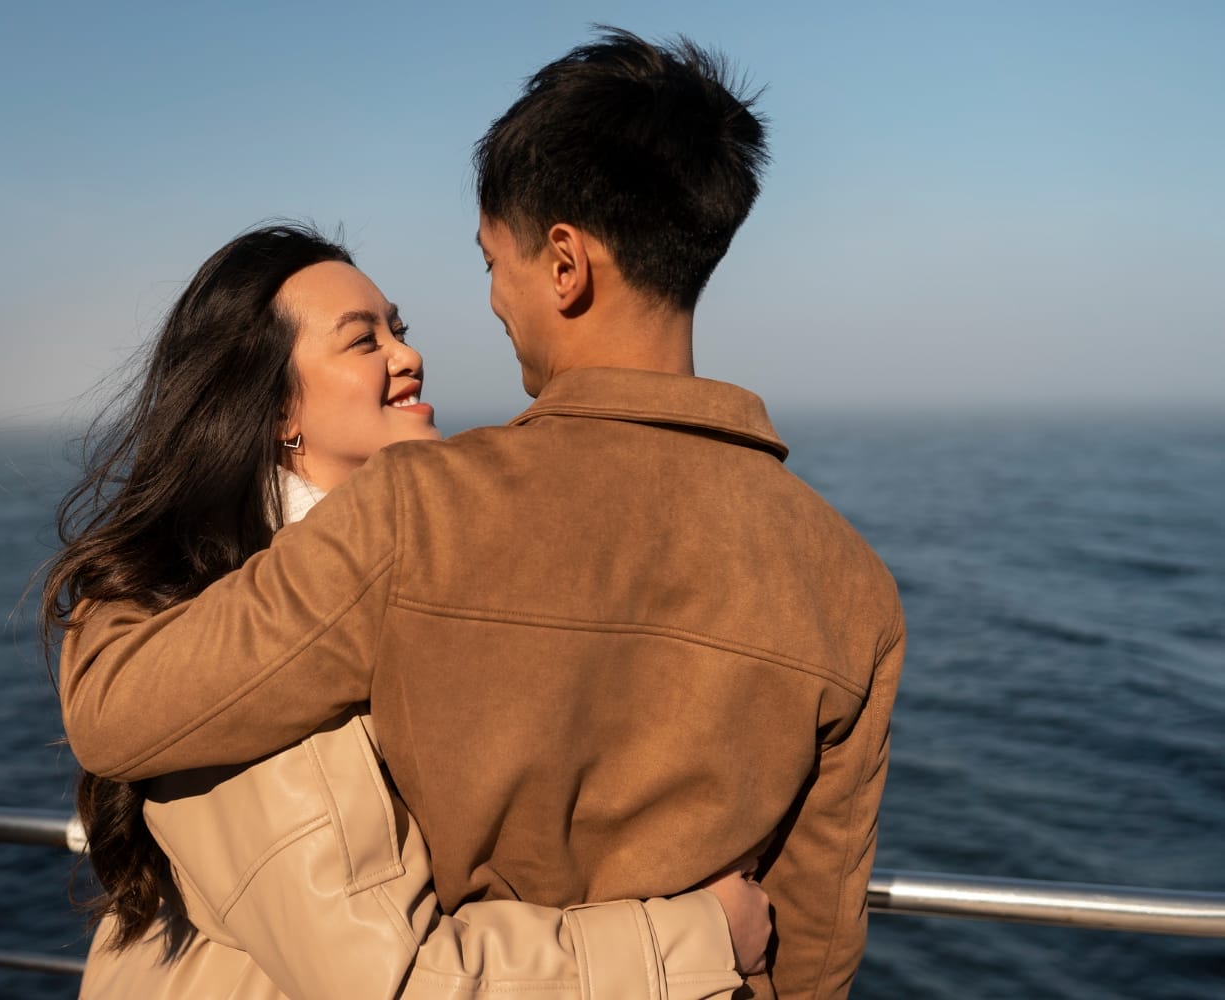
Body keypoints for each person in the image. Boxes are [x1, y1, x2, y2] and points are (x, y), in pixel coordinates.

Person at [61, 28, 904, 1000]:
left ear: (564, 264)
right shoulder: (852, 585)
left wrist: (129, 568)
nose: (491, 301)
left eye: (490, 257)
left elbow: (121, 711)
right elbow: (812, 952)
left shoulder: (417, 513)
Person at [43, 224, 770, 999]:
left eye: (399, 328)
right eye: (363, 342)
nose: (407, 354)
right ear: (277, 409)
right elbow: (394, 980)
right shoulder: (247, 651)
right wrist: (700, 936)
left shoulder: (370, 587)